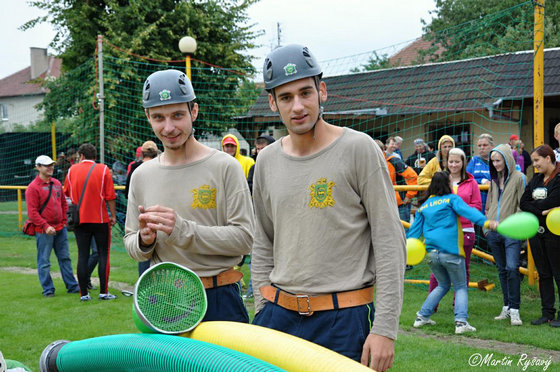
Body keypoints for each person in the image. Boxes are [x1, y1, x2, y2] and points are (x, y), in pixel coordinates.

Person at [251, 44, 405, 371]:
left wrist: (385, 329)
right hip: (277, 319)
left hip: (343, 322)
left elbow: (390, 242)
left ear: (322, 91)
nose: (297, 106)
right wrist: (262, 306)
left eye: (305, 92)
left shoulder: (359, 149)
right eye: (285, 97)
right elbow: (263, 240)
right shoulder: (265, 161)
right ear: (272, 102)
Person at [124, 69, 254, 323]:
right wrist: (144, 240)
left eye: (178, 115)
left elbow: (245, 240)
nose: (169, 127)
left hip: (220, 298)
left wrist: (182, 230)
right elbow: (131, 243)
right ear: (148, 117)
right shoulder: (142, 175)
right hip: (165, 301)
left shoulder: (225, 166)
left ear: (194, 111)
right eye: (159, 117)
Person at [408, 171, 497, 334]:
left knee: (442, 285)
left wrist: (406, 249)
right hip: (451, 252)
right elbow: (468, 212)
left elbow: (413, 233)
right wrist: (486, 222)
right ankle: (461, 323)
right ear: (447, 185)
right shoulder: (452, 199)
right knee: (460, 286)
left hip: (432, 254)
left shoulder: (424, 205)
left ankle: (422, 317)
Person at [428, 148, 482, 308]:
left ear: (463, 162)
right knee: (437, 268)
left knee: (462, 268)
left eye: (457, 161)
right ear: (446, 162)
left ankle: (458, 303)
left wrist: (459, 213)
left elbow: (477, 206)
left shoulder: (471, 183)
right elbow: (433, 203)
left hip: (465, 232)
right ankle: (432, 304)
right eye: (450, 161)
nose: (453, 164)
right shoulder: (440, 181)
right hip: (443, 233)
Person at [64, 143, 117, 302]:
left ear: (81, 156)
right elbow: (110, 196)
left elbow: (66, 192)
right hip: (100, 219)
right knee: (103, 255)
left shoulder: (71, 170)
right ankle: (103, 292)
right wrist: (113, 215)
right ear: (95, 156)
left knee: (82, 255)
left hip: (79, 219)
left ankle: (83, 294)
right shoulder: (104, 169)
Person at [26, 155, 80, 297]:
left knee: (65, 258)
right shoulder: (32, 188)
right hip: (44, 231)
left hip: (59, 228)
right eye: (46, 165)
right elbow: (32, 213)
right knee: (44, 261)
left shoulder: (56, 183)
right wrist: (45, 226)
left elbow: (63, 203)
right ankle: (48, 290)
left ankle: (72, 286)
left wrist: (63, 222)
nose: (51, 167)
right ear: (38, 167)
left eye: (52, 165)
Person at [485, 144, 526, 326]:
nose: (495, 164)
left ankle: (515, 310)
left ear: (507, 159)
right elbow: (489, 205)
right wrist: (487, 227)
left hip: (512, 232)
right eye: (493, 161)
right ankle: (507, 307)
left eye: (498, 160)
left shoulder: (520, 178)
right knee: (502, 270)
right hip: (494, 232)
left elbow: (523, 206)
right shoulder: (493, 180)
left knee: (511, 268)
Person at [520, 144, 560, 327]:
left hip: (555, 234)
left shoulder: (558, 179)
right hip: (536, 232)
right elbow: (523, 202)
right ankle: (547, 313)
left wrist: (539, 207)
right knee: (543, 274)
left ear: (548, 159)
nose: (534, 164)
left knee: (558, 274)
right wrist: (541, 211)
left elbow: (553, 201)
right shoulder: (535, 179)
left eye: (537, 160)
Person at [124, 140, 160, 276]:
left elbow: (128, 191)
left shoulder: (134, 167)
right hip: (159, 214)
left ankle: (144, 290)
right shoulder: (161, 167)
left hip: (141, 214)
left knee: (144, 249)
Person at [376, 141, 418, 223]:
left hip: (400, 204)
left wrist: (409, 196)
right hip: (383, 204)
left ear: (382, 150)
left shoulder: (394, 161)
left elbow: (412, 176)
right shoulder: (369, 164)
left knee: (403, 231)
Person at [466, 133, 493, 211]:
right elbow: (467, 178)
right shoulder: (474, 160)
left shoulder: (496, 161)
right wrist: (482, 181)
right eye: (479, 145)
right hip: (477, 202)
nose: (482, 148)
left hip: (493, 201)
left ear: (492, 146)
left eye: (485, 145)